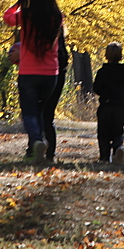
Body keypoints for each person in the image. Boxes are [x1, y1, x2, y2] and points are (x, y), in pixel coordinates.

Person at [3, 0, 63, 164]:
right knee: (39, 111)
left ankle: (37, 140)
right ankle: (35, 148)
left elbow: (7, 17)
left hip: (29, 72)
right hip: (51, 73)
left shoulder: (25, 16)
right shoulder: (57, 16)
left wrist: (18, 3)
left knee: (29, 112)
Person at [93, 42, 124, 164]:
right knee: (118, 131)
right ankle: (118, 149)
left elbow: (97, 89)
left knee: (103, 133)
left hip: (106, 105)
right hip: (120, 107)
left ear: (106, 55)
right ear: (120, 55)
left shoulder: (102, 72)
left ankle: (104, 157)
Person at [39, 31, 70, 162]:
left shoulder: (43, 38)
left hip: (43, 75)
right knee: (48, 116)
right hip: (58, 76)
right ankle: (50, 153)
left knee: (38, 113)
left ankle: (36, 148)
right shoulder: (60, 44)